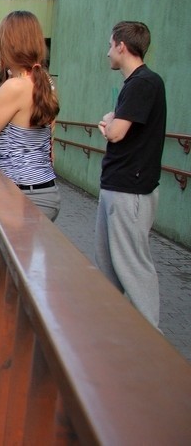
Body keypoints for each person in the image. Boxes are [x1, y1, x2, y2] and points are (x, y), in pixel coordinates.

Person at [95, 21, 166, 329]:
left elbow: (117, 132)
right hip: (118, 187)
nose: (108, 52)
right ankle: (112, 335)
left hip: (130, 191)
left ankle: (152, 346)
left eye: (111, 45)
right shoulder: (135, 84)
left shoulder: (143, 83)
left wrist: (110, 123)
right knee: (109, 268)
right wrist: (112, 124)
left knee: (134, 268)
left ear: (122, 46)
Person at [0, 10, 61, 221]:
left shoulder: (15, 87)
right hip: (42, 191)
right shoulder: (45, 83)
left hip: (24, 196)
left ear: (9, 45)